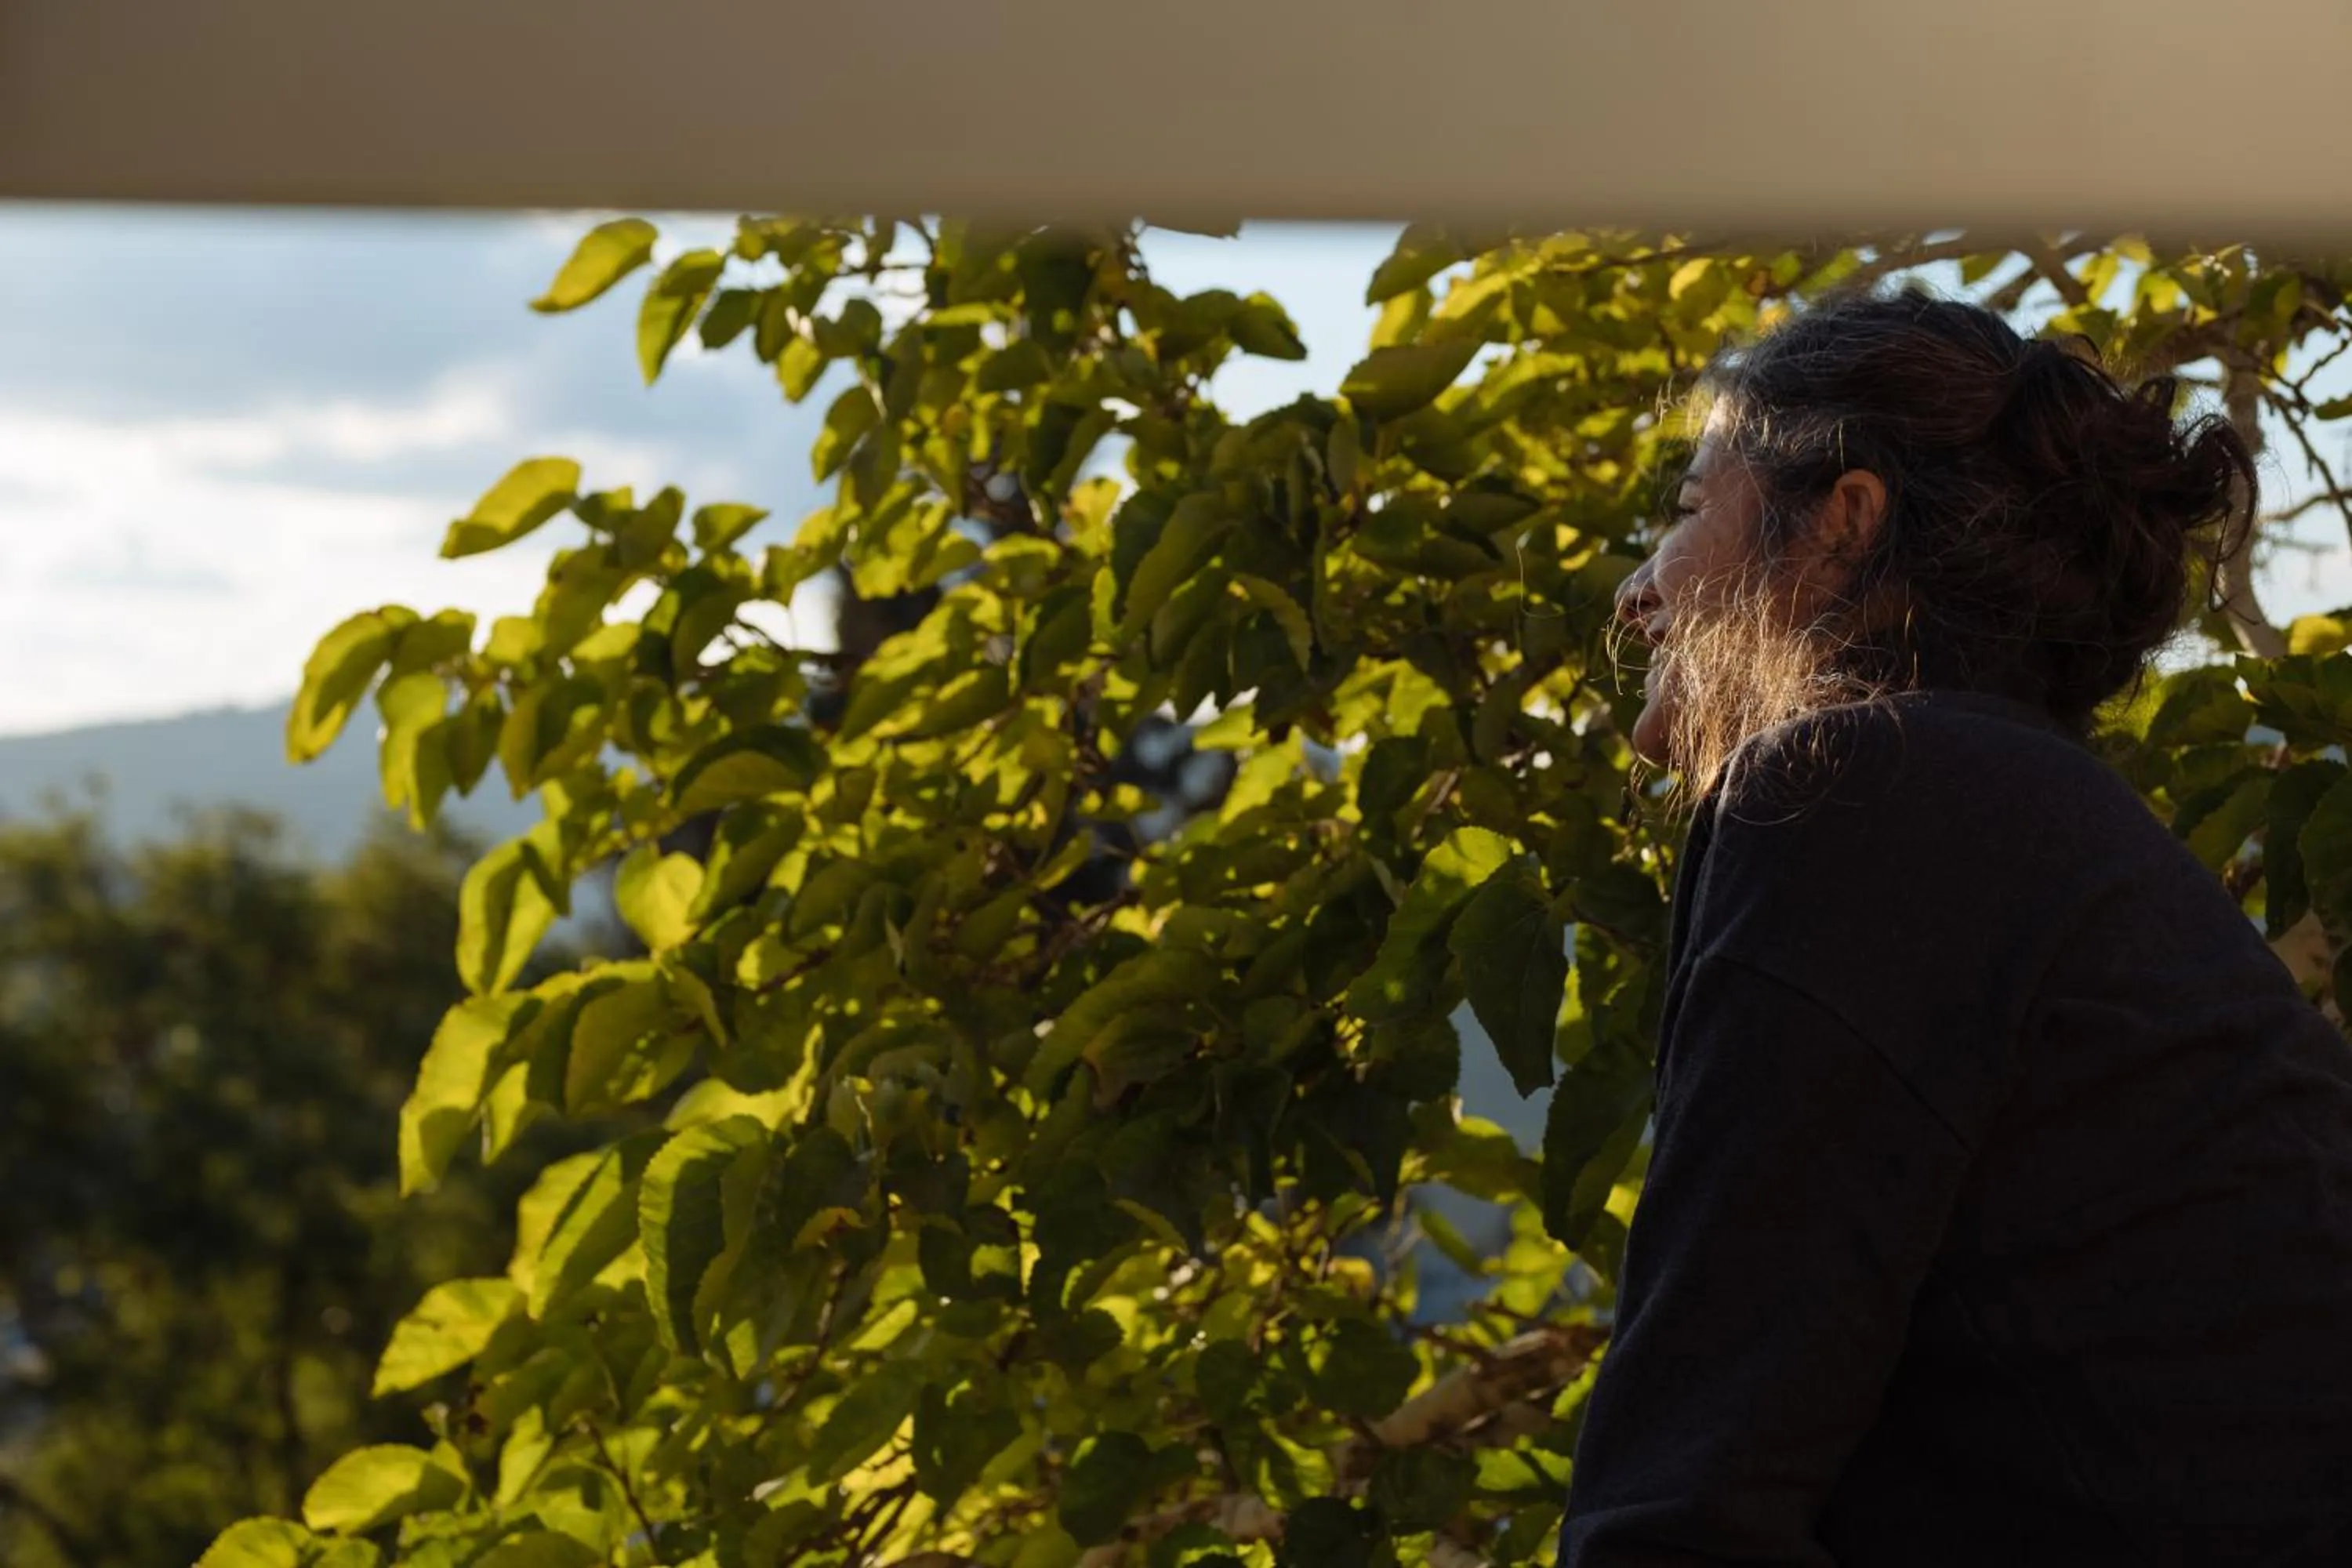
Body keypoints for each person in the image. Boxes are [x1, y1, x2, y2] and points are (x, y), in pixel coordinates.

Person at [1561, 289, 2352, 1566]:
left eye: (1686, 513)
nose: (1635, 593)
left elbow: (1687, 1498)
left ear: (1843, 525)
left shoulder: (1858, 789)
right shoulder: (2041, 823)